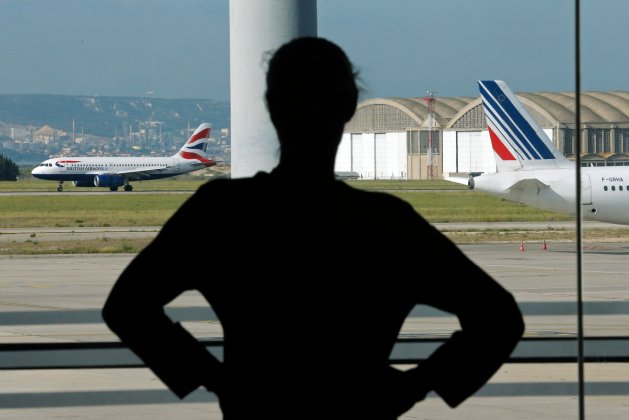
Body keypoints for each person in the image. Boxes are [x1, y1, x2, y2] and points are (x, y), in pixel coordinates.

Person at [102, 36, 525, 419]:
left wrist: (215, 378)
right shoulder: (386, 223)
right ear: (349, 105)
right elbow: (500, 318)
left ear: (270, 106)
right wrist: (414, 385)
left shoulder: (222, 213)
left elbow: (125, 307)